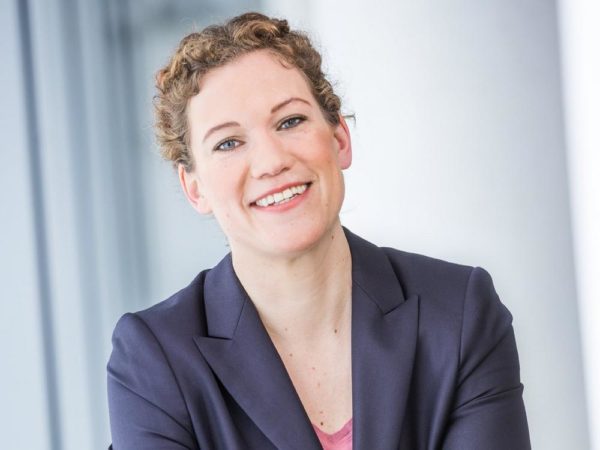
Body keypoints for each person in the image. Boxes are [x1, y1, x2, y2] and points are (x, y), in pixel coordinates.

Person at [107, 12, 530, 450]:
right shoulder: (153, 360)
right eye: (228, 143)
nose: (272, 161)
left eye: (290, 121)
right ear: (194, 188)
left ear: (340, 138)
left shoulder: (458, 312)